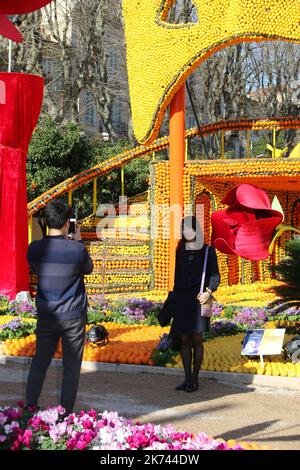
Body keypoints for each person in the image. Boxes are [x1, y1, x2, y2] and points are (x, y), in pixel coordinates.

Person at [25, 198, 94, 415]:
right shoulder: (76, 250)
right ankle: (65, 413)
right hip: (73, 315)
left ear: (45, 221)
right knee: (71, 367)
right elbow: (88, 269)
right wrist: (77, 241)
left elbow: (36, 267)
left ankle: (29, 407)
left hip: (47, 314)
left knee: (40, 362)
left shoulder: (34, 249)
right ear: (67, 223)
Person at [170, 215, 220, 392]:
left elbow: (215, 276)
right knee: (184, 338)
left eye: (190, 228)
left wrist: (208, 292)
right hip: (183, 297)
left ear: (196, 230)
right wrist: (174, 298)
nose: (187, 232)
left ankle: (195, 379)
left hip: (199, 298)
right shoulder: (180, 249)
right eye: (184, 229)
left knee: (197, 338)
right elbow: (177, 276)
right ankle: (187, 378)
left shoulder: (207, 250)